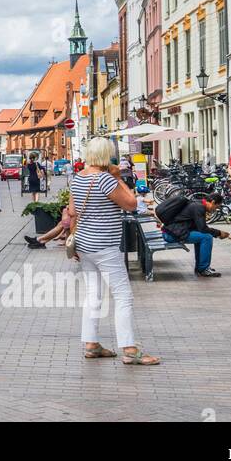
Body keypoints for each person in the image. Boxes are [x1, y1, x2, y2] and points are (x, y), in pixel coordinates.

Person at [62, 136, 159, 366]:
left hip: (84, 244)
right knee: (123, 295)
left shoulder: (78, 179)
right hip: (105, 245)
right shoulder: (106, 180)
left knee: (93, 294)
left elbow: (73, 211)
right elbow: (131, 204)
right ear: (107, 155)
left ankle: (91, 344)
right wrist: (118, 178)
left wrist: (71, 238)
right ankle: (129, 348)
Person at [155, 193, 227, 277]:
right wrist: (219, 233)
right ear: (213, 202)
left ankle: (200, 268)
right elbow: (203, 228)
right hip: (172, 234)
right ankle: (203, 269)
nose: (215, 209)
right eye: (216, 207)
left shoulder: (197, 204)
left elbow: (199, 228)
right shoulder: (199, 207)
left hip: (171, 232)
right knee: (207, 237)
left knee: (202, 236)